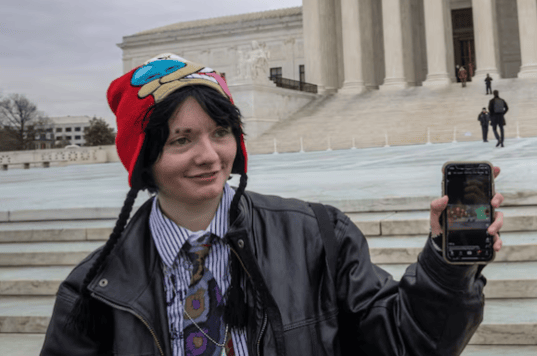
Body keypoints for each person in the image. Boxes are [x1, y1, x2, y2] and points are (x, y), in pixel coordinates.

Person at [40, 53, 505, 356]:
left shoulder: (317, 236)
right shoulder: (93, 292)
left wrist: (446, 266)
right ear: (143, 160)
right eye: (182, 140)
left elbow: (406, 343)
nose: (209, 155)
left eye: (220, 133)